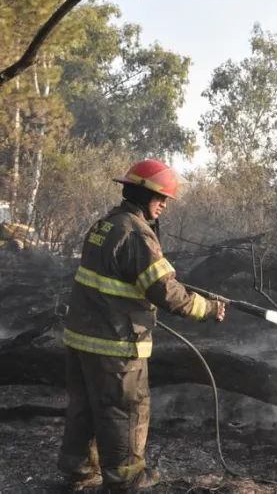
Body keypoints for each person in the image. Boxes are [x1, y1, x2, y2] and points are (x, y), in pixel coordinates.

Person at [56, 159, 226, 492]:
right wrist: (207, 309)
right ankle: (127, 479)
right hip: (115, 344)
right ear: (140, 193)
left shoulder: (105, 224)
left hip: (82, 339)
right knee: (125, 411)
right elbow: (164, 290)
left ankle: (78, 469)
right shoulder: (136, 232)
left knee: (85, 407)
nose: (163, 205)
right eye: (159, 197)